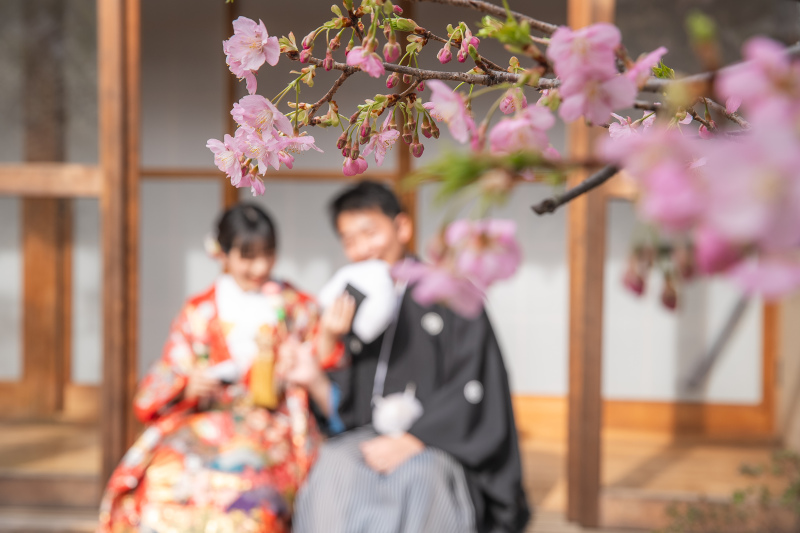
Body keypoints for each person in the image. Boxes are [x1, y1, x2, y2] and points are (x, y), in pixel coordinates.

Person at [293, 181, 531, 533]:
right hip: (370, 436)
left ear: (402, 228)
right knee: (333, 465)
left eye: (369, 233)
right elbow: (347, 404)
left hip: (436, 444)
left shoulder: (453, 293)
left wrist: (414, 439)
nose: (361, 249)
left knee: (420, 476)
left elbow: (475, 384)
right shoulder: (355, 303)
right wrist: (329, 338)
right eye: (349, 240)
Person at [98, 203, 348, 533]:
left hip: (273, 424)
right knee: (164, 480)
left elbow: (325, 361)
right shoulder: (199, 311)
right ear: (222, 254)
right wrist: (188, 386)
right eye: (247, 256)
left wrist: (322, 342)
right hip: (203, 420)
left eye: (268, 254)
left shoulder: (296, 306)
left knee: (246, 492)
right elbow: (169, 370)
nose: (260, 266)